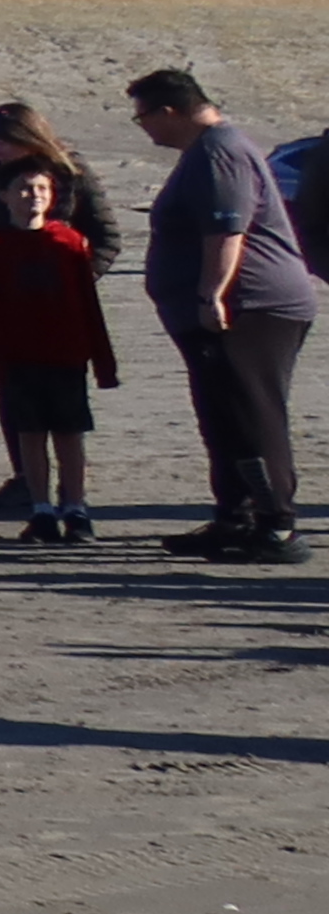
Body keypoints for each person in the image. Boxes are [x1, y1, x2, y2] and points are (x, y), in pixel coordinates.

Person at [129, 68, 313, 564]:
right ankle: (236, 517)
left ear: (169, 111)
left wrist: (212, 294)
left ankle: (277, 527)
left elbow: (228, 229)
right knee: (222, 415)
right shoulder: (206, 151)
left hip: (250, 306)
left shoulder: (220, 152)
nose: (144, 128)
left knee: (251, 413)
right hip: (229, 307)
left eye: (143, 117)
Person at [0, 108, 118, 546]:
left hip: (62, 324)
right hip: (14, 323)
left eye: (3, 141)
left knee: (69, 425)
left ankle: (74, 504)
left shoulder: (71, 172)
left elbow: (106, 236)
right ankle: (33, 492)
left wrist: (70, 279)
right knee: (22, 418)